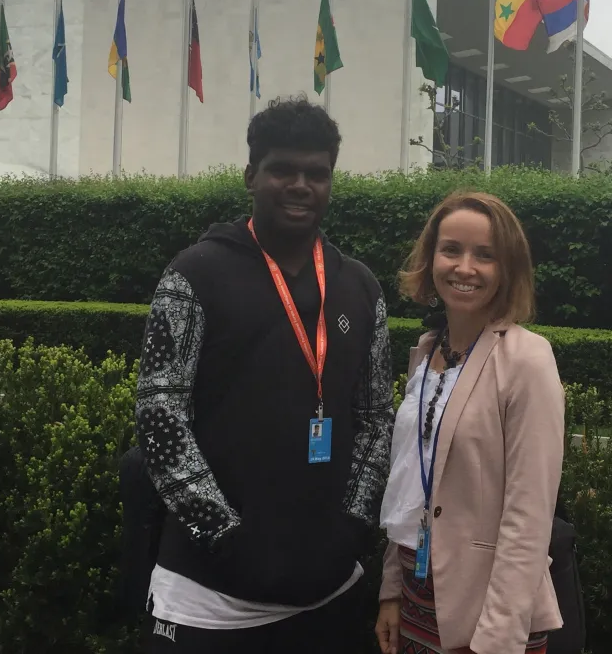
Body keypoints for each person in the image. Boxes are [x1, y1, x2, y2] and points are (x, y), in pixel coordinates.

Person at [133, 96, 394, 652]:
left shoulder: (360, 286)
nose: (300, 185)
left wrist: (352, 524)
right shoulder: (193, 274)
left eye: (316, 173)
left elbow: (375, 417)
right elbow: (160, 413)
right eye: (283, 170)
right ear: (251, 175)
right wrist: (224, 535)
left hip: (328, 590)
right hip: (210, 599)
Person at [374, 192, 566, 654]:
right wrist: (391, 588)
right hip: (416, 598)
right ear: (431, 259)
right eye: (451, 250)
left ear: (508, 268)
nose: (464, 267)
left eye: (485, 255)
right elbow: (411, 484)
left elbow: (529, 517)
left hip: (487, 612)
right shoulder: (426, 351)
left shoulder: (527, 360)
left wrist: (496, 639)